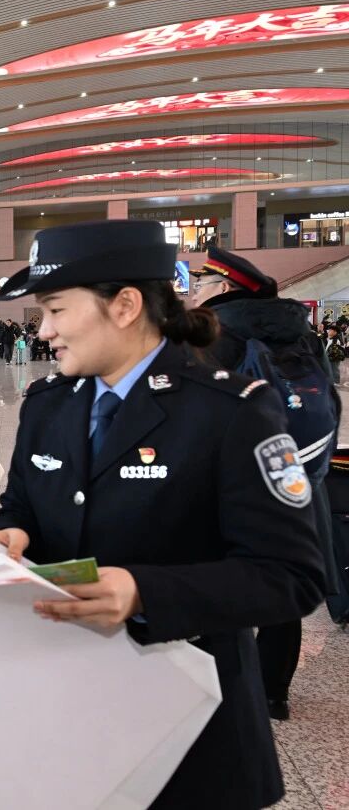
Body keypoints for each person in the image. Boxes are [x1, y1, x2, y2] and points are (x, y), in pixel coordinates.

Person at [0, 220, 324, 809]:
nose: (44, 331)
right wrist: (9, 533)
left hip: (191, 733)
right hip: (69, 710)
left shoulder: (231, 411)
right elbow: (21, 504)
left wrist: (144, 591)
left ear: (124, 306)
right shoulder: (47, 405)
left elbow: (291, 575)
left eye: (57, 310)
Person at [193, 247, 343, 722]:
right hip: (294, 475)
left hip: (230, 480)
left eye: (201, 283)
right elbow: (329, 398)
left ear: (223, 287)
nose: (194, 292)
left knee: (216, 577)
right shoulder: (298, 331)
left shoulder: (214, 333)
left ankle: (216, 683)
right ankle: (274, 691)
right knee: (281, 579)